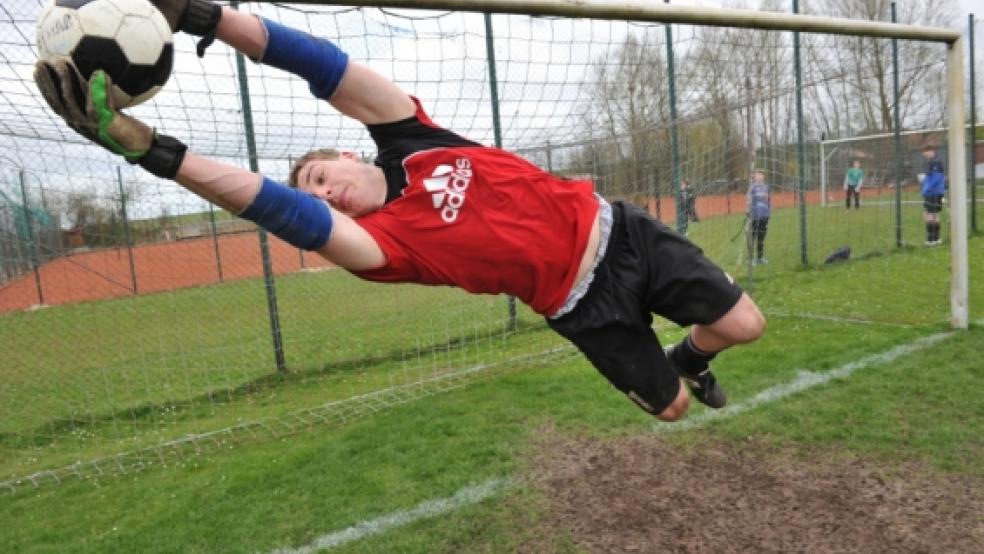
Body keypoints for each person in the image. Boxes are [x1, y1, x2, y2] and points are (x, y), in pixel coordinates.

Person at [34, 0, 765, 423]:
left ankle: (692, 355)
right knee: (668, 412)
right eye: (313, 192)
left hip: (620, 232)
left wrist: (204, 14)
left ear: (349, 153)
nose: (323, 192)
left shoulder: (410, 138)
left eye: (322, 173)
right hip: (580, 304)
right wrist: (155, 152)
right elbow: (285, 213)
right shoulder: (383, 248)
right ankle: (676, 376)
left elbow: (324, 66)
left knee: (744, 326)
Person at [920, 145, 946, 246]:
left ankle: (930, 239)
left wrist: (925, 189)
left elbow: (936, 178)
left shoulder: (934, 162)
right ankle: (937, 238)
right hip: (938, 192)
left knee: (928, 214)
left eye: (925, 152)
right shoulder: (937, 161)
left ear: (931, 151)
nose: (925, 155)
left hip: (932, 193)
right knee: (935, 215)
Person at [747, 169, 771, 265]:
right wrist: (748, 210)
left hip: (764, 215)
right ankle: (750, 259)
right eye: (757, 175)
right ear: (754, 177)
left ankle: (760, 258)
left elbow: (768, 201)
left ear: (763, 177)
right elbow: (748, 199)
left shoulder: (766, 187)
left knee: (761, 237)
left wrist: (768, 212)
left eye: (761, 175)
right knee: (753, 236)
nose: (759, 177)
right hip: (755, 215)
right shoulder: (752, 188)